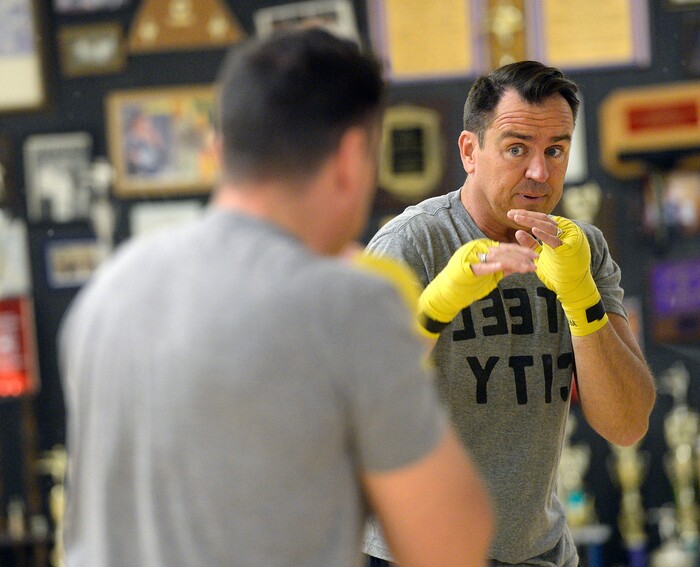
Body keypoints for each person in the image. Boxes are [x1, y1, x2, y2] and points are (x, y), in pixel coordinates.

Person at [58, 28, 494, 567]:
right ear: (352, 156)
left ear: (221, 150)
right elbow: (450, 545)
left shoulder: (111, 290)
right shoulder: (347, 302)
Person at [363, 60, 656, 567]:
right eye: (517, 148)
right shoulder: (413, 243)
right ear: (470, 151)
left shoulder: (580, 248)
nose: (539, 172)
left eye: (555, 150)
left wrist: (583, 303)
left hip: (539, 552)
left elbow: (626, 423)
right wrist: (432, 309)